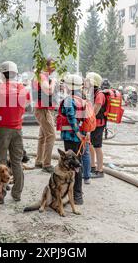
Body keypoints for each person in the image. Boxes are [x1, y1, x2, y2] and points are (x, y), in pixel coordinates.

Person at [0, 61, 30, 203]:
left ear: (2, 73)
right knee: (17, 162)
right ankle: (17, 194)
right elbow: (30, 109)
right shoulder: (23, 89)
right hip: (17, 129)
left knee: (1, 162)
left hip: (1, 130)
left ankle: (0, 194)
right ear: (16, 73)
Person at [57, 74, 91, 204]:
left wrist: (77, 133)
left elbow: (71, 118)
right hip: (81, 138)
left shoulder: (69, 100)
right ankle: (78, 194)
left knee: (72, 166)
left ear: (69, 86)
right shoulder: (82, 99)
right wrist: (84, 133)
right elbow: (85, 118)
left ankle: (75, 196)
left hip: (72, 138)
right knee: (79, 164)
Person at [32, 58, 56, 173]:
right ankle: (47, 164)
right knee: (51, 135)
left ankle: (39, 161)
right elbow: (49, 91)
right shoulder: (42, 76)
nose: (54, 67)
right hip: (43, 110)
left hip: (42, 108)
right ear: (46, 66)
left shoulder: (40, 76)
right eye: (52, 65)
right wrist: (54, 82)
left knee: (43, 136)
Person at [85, 72, 106, 179]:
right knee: (90, 145)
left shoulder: (100, 95)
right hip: (94, 124)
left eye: (87, 81)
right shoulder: (93, 93)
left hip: (98, 124)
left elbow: (94, 112)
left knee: (97, 147)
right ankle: (92, 167)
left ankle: (100, 170)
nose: (85, 82)